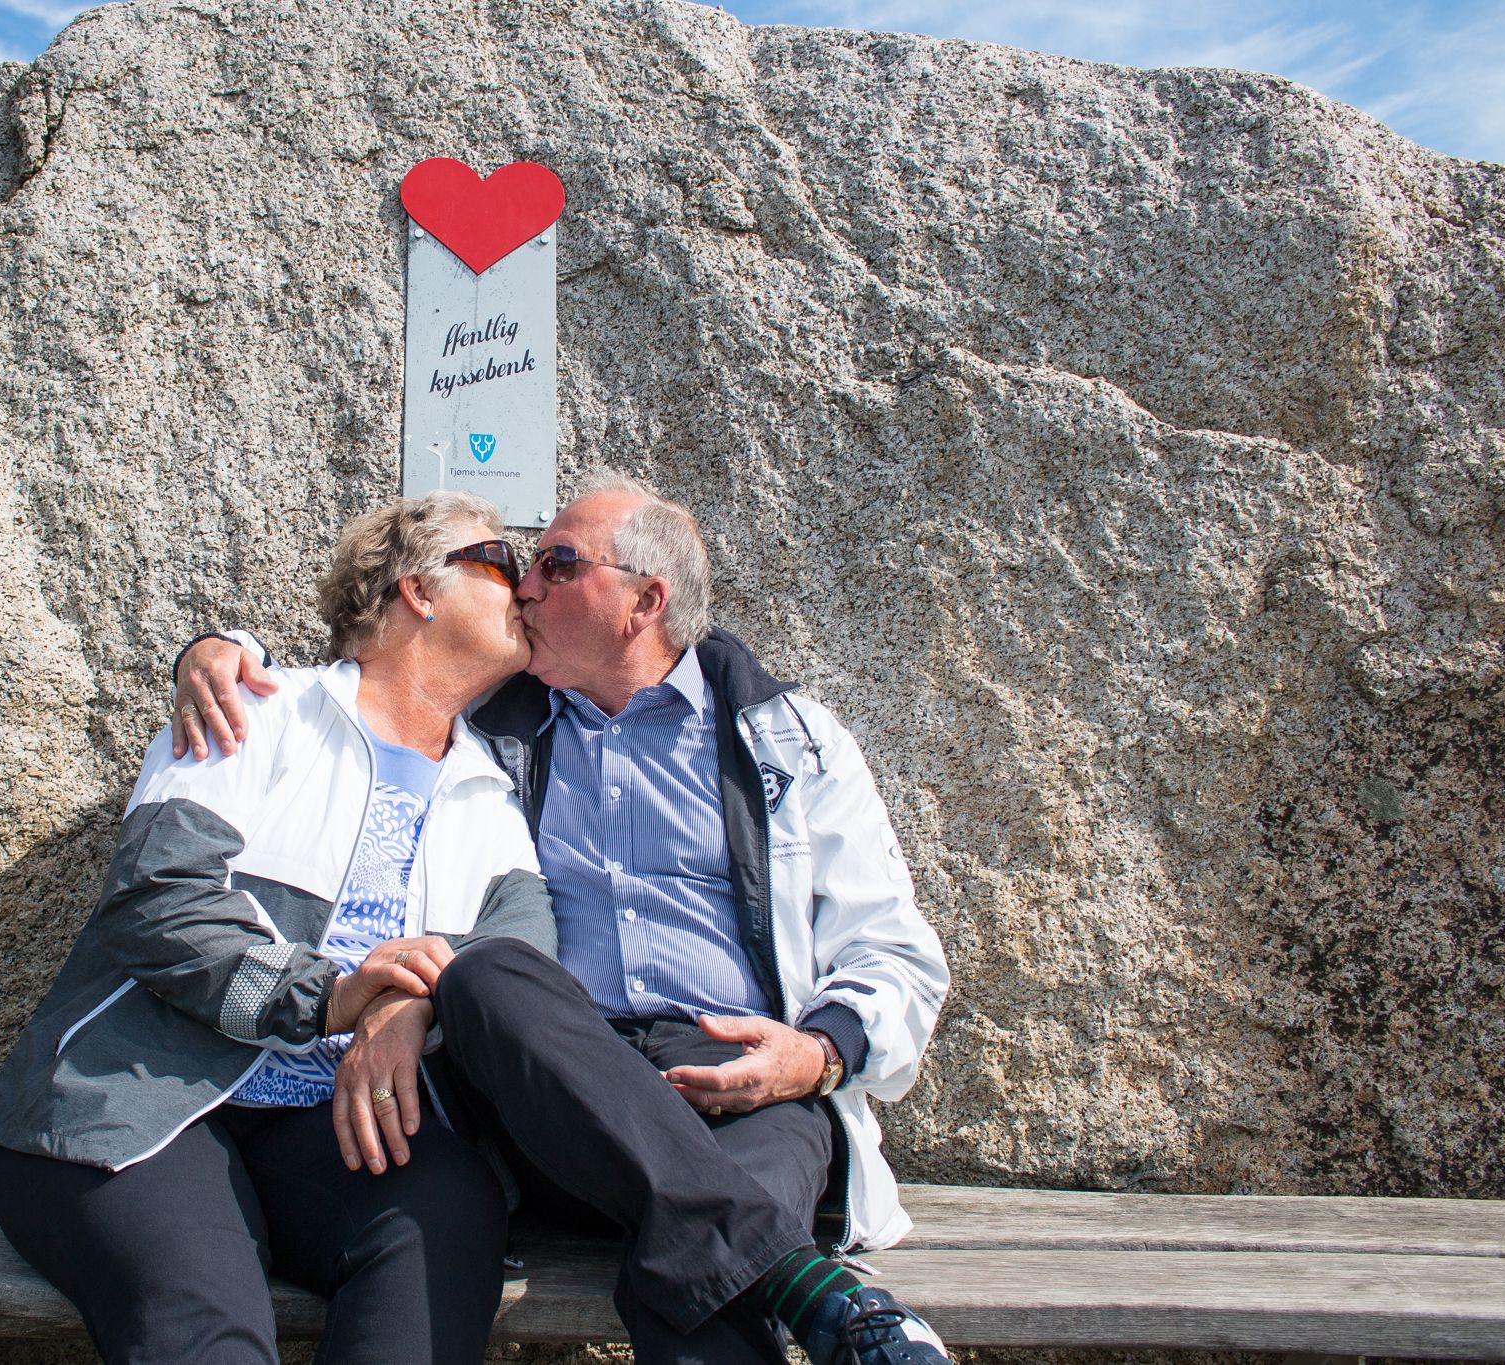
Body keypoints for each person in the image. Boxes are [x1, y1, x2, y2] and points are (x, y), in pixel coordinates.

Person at [171, 471, 953, 1365]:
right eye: (518, 563)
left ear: (644, 601)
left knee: (696, 1254)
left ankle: (773, 1267)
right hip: (555, 1089)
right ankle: (815, 1292)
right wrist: (216, 647)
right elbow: (367, 673)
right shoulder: (495, 727)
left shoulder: (788, 741)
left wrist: (813, 1056)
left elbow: (895, 949)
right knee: (490, 970)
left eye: (556, 562)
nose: (526, 585)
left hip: (746, 1081)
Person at [0, 490, 556, 1365]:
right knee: (208, 1330)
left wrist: (410, 1007)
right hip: (145, 1104)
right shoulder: (256, 707)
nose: (526, 586)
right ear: (418, 589)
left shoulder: (486, 790)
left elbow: (524, 951)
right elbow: (156, 898)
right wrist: (330, 997)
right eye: (502, 562)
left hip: (336, 1127)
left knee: (450, 1208)